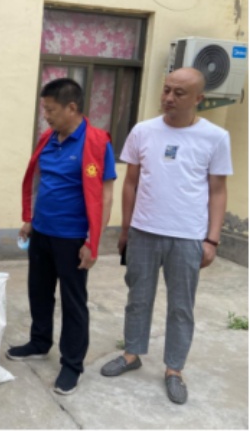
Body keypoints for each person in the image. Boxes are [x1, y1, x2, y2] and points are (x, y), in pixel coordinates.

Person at [100, 67, 233, 405]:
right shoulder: (143, 131)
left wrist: (211, 240)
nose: (169, 98)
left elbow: (218, 190)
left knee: (181, 306)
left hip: (188, 236)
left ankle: (174, 369)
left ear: (199, 98)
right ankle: (132, 354)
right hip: (144, 232)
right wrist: (126, 229)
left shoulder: (215, 137)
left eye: (179, 93)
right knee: (138, 298)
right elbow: (131, 183)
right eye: (166, 90)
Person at [6, 78, 116, 395]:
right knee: (39, 292)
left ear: (71, 107)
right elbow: (42, 182)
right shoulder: (48, 139)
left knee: (73, 302)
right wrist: (30, 220)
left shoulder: (97, 143)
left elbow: (105, 197)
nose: (46, 115)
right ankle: (39, 342)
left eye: (50, 109)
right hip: (42, 231)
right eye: (44, 109)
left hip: (72, 238)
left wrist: (93, 242)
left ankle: (72, 364)